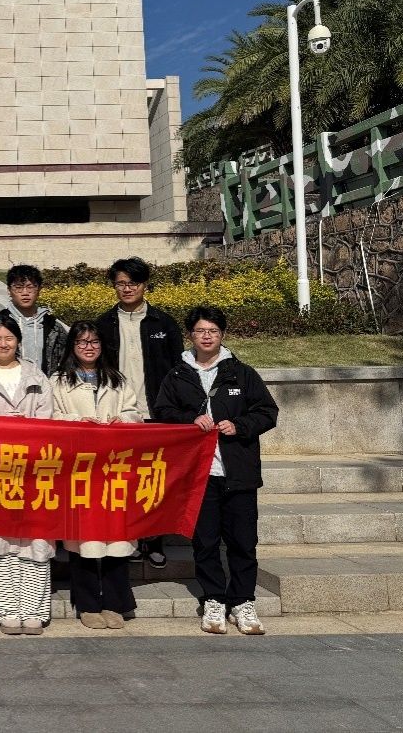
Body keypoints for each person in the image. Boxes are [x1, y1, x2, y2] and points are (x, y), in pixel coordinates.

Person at [154, 305, 278, 636]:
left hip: (238, 472)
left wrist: (239, 425)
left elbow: (267, 412)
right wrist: (189, 420)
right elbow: (162, 411)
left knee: (243, 542)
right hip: (199, 474)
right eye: (200, 331)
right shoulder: (177, 375)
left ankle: (243, 602)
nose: (206, 337)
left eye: (212, 331)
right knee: (205, 542)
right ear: (190, 335)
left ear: (222, 335)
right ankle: (213, 600)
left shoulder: (241, 373)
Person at [0, 311, 55, 635]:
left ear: (18, 341)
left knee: (35, 538)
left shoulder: (35, 374)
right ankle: (6, 609)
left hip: (32, 468)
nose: (3, 344)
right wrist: (4, 427)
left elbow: (47, 417)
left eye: (9, 338)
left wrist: (25, 428)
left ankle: (34, 610)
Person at [50, 321, 142, 630]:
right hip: (81, 470)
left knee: (117, 539)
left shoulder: (117, 380)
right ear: (72, 347)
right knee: (84, 541)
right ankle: (88, 604)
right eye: (81, 342)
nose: (88, 347)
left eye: (93, 342)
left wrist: (122, 420)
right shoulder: (58, 381)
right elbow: (50, 418)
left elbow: (134, 413)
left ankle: (115, 602)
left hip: (114, 470)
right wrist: (78, 421)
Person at [95, 257, 184, 569]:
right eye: (120, 283)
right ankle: (130, 538)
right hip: (119, 415)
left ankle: (155, 540)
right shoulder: (103, 324)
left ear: (145, 284)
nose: (127, 288)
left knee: (154, 479)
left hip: (156, 413)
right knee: (125, 479)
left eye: (133, 282)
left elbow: (177, 369)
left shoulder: (164, 323)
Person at [0, 265, 68, 376]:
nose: (25, 293)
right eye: (18, 287)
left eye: (30, 287)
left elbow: (66, 359)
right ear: (9, 290)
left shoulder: (53, 326)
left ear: (39, 289)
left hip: (44, 384)